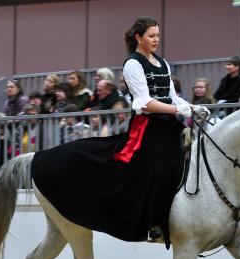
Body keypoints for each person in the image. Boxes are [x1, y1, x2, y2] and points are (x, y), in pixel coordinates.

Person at [31, 17, 208, 247]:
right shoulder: (133, 64)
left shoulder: (163, 63)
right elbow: (144, 103)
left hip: (170, 123)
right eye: (151, 36)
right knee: (157, 165)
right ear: (138, 37)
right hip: (148, 126)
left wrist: (193, 107)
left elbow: (173, 96)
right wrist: (178, 109)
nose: (156, 40)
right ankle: (154, 223)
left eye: (157, 36)